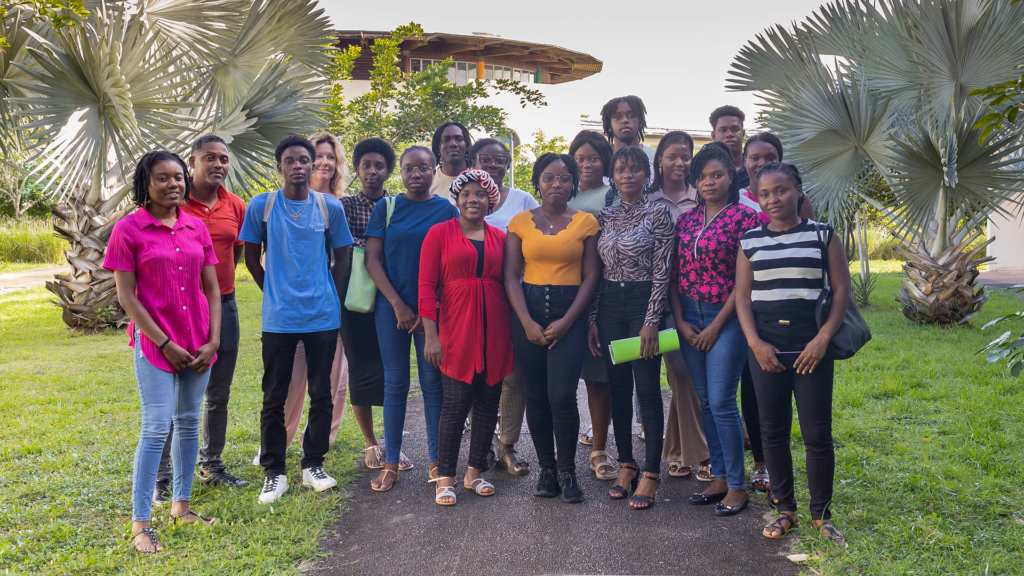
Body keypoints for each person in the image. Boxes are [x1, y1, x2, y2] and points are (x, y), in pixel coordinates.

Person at [105, 151, 221, 553]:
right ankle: (140, 524)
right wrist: (165, 344)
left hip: (199, 340)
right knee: (156, 427)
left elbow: (213, 289)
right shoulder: (128, 229)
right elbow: (127, 297)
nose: (173, 184)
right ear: (146, 183)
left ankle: (181, 507)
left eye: (178, 177)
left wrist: (214, 340)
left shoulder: (196, 226)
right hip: (156, 344)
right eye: (162, 178)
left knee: (188, 421)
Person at [736, 162, 849, 544]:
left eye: (781, 190)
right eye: (765, 194)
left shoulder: (822, 235)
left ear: (799, 191)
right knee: (772, 431)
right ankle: (785, 508)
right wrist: (755, 343)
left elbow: (841, 291)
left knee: (817, 433)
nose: (773, 199)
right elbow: (742, 298)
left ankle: (821, 514)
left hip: (811, 349)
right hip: (766, 350)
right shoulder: (750, 241)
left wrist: (822, 339)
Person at [241, 135, 354, 505]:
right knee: (274, 396)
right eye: (290, 160)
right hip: (280, 320)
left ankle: (313, 465)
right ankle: (274, 472)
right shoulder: (262, 206)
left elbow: (343, 256)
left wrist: (328, 294)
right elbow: (251, 258)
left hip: (322, 317)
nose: (298, 166)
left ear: (313, 164)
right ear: (280, 167)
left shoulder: (328, 207)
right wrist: (273, 292)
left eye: (304, 160)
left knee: (322, 393)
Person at [153, 136, 247, 504]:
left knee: (218, 393)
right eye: (209, 157)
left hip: (224, 306)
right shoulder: (173, 200)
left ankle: (212, 465)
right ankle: (162, 477)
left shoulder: (235, 205)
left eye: (223, 158)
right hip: (177, 309)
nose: (218, 164)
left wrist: (217, 296)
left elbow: (234, 254)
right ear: (192, 162)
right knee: (171, 397)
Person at [506, 153, 600, 503]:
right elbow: (510, 276)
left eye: (564, 178)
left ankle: (567, 470)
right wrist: (526, 321)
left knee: (561, 395)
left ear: (573, 183)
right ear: (538, 182)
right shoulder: (519, 222)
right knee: (536, 395)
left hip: (569, 314)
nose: (556, 184)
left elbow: (591, 276)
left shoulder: (586, 222)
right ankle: (546, 470)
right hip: (528, 313)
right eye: (548, 177)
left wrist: (567, 321)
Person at [671, 142, 760, 517]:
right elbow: (674, 275)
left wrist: (716, 326)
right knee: (705, 401)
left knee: (723, 401)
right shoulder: (686, 221)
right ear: (695, 182)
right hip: (689, 316)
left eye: (718, 175)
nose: (710, 182)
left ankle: (738, 486)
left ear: (730, 177)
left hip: (728, 316)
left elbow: (744, 283)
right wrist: (680, 321)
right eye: (703, 176)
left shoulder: (745, 218)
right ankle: (720, 477)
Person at [365, 145, 459, 492]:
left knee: (433, 385)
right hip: (391, 310)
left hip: (431, 312)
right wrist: (398, 306)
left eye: (423, 168)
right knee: (395, 384)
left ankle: (437, 461)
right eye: (409, 168)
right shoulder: (386, 207)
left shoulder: (447, 210)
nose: (416, 174)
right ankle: (391, 462)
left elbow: (452, 262)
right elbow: (372, 261)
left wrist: (429, 307)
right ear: (400, 172)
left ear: (434, 170)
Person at [421, 170, 513, 505]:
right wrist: (431, 336)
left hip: (495, 329)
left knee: (488, 403)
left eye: (480, 194)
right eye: (466, 194)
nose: (473, 199)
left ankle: (475, 473)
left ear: (491, 201)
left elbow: (510, 283)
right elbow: (426, 287)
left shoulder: (501, 237)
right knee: (456, 403)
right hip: (456, 327)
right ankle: (445, 477)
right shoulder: (439, 233)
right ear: (457, 199)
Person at [591, 146, 675, 510]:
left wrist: (651, 320)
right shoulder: (605, 215)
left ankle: (652, 472)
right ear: (613, 176)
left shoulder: (659, 212)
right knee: (619, 388)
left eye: (635, 169)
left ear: (646, 174)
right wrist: (593, 319)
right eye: (621, 169)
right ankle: (627, 464)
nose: (628, 175)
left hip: (644, 301)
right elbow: (597, 272)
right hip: (610, 304)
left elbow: (663, 271)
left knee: (648, 390)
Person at [735, 131, 815, 493]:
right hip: (747, 308)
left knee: (795, 404)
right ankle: (762, 463)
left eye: (770, 156)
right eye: (754, 157)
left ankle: (780, 469)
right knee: (752, 390)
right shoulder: (737, 199)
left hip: (793, 315)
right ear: (744, 161)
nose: (761, 162)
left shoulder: (799, 202)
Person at [646, 131, 712, 481]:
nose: (679, 162)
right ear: (659, 160)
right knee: (676, 373)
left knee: (684, 373)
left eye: (685, 156)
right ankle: (693, 452)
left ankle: (684, 451)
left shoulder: (701, 197)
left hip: (687, 298)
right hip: (649, 299)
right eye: (672, 156)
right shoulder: (646, 197)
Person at [471, 138, 538, 476]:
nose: (493, 165)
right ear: (473, 162)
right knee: (476, 372)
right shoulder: (465, 198)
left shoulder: (522, 200)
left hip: (514, 297)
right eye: (485, 159)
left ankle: (507, 446)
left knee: (513, 375)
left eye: (500, 160)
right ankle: (480, 446)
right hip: (474, 300)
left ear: (508, 164)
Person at [339, 137, 393, 470]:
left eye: (379, 166)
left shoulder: (397, 205)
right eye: (366, 165)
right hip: (354, 297)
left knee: (392, 368)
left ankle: (394, 442)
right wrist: (374, 246)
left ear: (388, 171)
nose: (372, 171)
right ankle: (370, 441)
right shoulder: (344, 206)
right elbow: (338, 245)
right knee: (359, 366)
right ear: (357, 170)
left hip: (390, 296)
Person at [567, 130, 616, 480]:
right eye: (580, 158)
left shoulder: (613, 195)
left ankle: (599, 448)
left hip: (602, 294)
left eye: (594, 158)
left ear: (605, 161)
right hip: (562, 294)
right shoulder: (561, 191)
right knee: (563, 378)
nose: (586, 164)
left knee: (599, 378)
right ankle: (563, 444)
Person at [600, 95, 656, 184]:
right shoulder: (600, 160)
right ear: (609, 124)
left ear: (640, 121)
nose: (625, 120)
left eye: (631, 115)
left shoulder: (655, 158)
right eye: (618, 117)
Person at [429, 121, 473, 202]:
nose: (453, 144)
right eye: (446, 140)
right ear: (438, 148)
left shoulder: (479, 179)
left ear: (467, 146)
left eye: (459, 139)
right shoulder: (429, 182)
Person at [709, 105, 749, 190]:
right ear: (713, 135)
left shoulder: (754, 168)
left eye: (735, 129)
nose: (729, 134)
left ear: (743, 133)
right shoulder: (704, 170)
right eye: (723, 130)